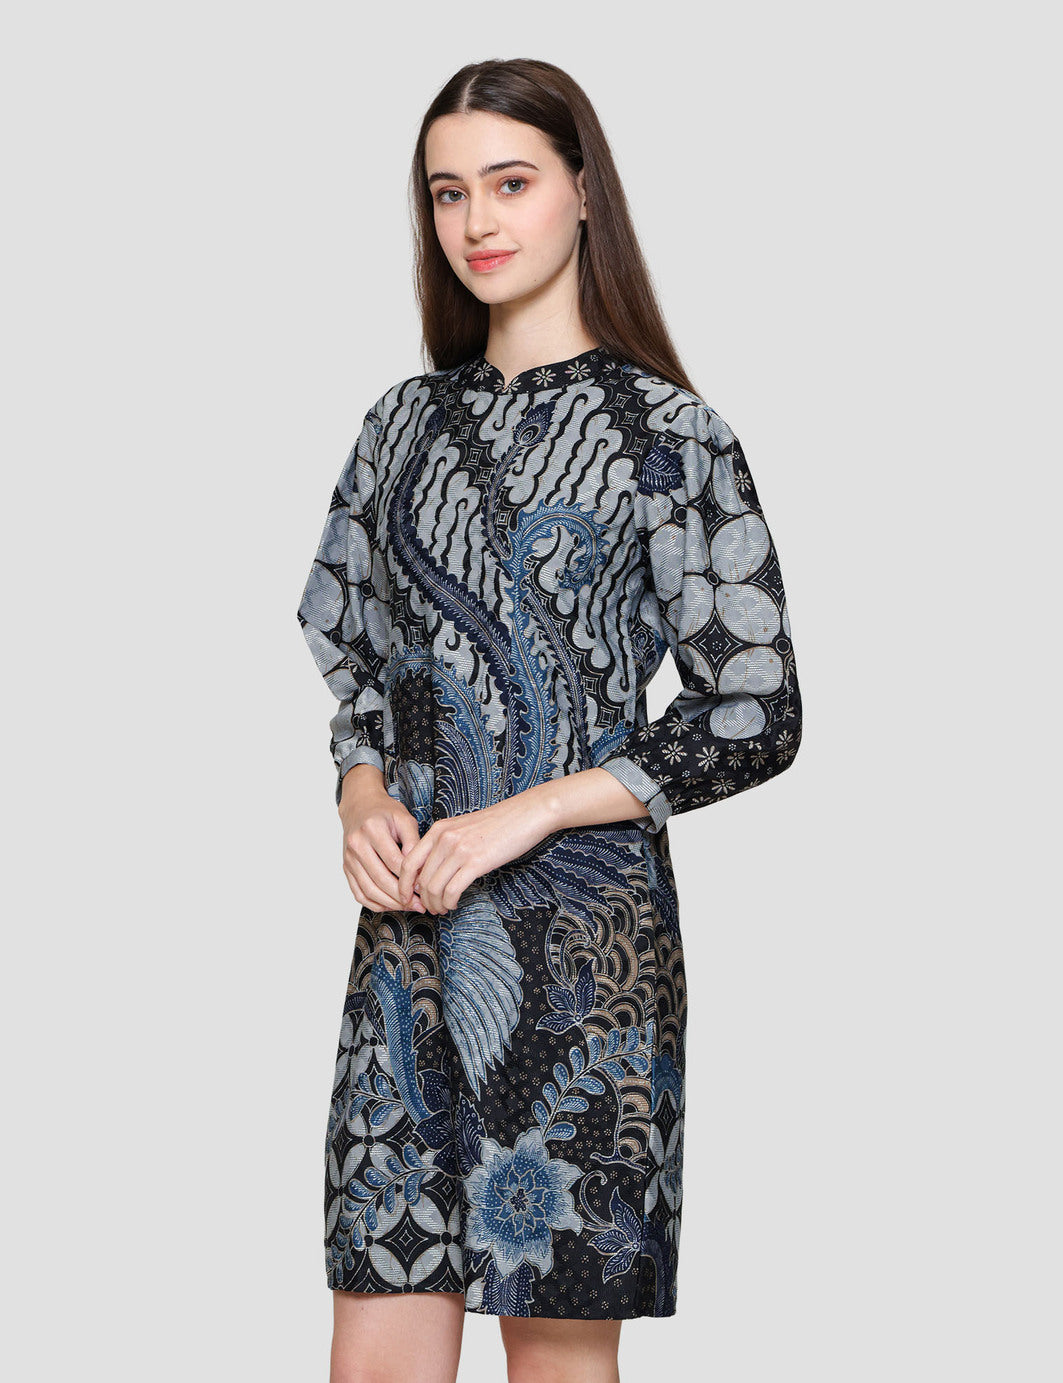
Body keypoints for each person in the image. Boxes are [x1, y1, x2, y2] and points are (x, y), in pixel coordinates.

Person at [297, 56, 802, 1383]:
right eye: (448, 192)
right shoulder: (401, 428)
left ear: (584, 191)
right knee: (374, 1348)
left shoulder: (671, 435)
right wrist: (360, 792)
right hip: (412, 940)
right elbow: (358, 660)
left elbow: (755, 708)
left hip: (587, 954)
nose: (477, 222)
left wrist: (533, 811)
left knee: (559, 1360)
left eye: (510, 183)